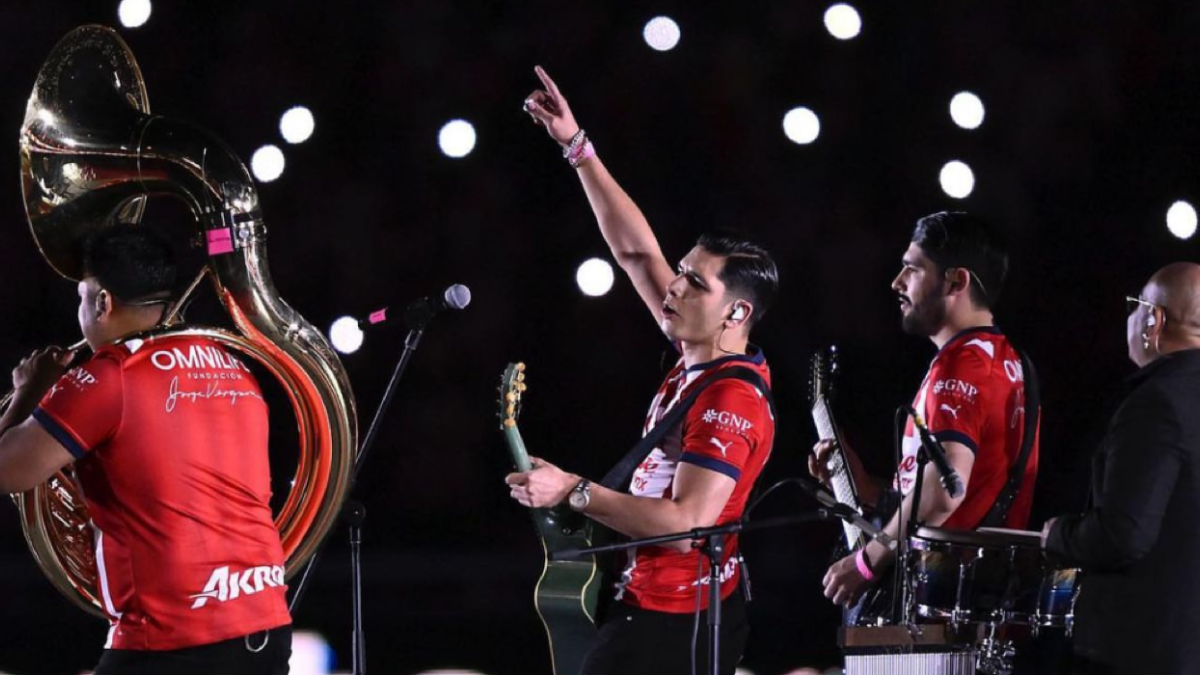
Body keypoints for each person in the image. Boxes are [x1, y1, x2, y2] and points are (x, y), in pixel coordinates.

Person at [506, 66, 779, 675]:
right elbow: (635, 253)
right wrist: (576, 148)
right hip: (650, 600)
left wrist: (573, 491)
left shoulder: (729, 399)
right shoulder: (701, 350)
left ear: (736, 311)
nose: (673, 287)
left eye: (693, 282)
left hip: (675, 622)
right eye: (681, 273)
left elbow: (685, 527)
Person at [0, 226, 291, 675]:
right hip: (267, 634)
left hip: (171, 642)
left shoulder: (110, 377)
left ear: (102, 302)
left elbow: (7, 470)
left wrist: (29, 391)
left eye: (81, 297)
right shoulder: (235, 368)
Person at [811, 211, 1039, 609]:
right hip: (970, 608)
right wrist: (863, 488)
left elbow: (946, 492)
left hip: (939, 614)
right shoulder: (1008, 361)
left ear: (956, 281)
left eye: (912, 269)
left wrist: (866, 563)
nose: (896, 283)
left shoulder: (961, 365)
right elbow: (953, 495)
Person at [1042, 263, 1200, 675]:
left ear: (1155, 319)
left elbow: (1124, 534)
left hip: (1142, 654)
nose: (1129, 318)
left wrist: (1058, 534)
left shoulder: (1157, 402)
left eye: (1136, 306)